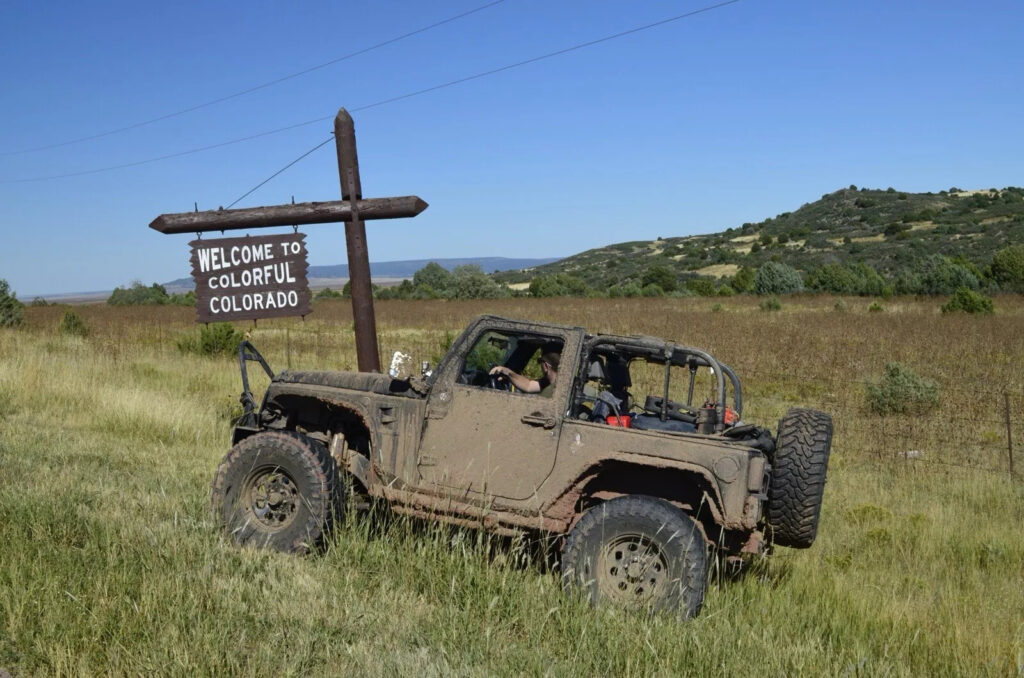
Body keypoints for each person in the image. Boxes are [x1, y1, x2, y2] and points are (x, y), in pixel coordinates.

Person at [489, 350, 559, 397]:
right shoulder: (549, 382)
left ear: (546, 366)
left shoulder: (555, 388)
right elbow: (528, 385)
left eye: (540, 362)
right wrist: (507, 372)